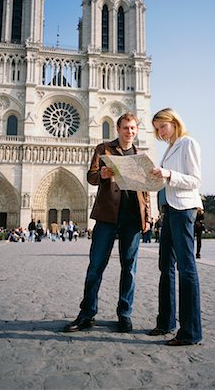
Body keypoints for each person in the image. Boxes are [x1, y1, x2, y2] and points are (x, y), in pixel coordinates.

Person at [63, 112, 151, 333]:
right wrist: (101, 173)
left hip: (132, 218)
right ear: (118, 129)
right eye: (125, 128)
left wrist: (148, 216)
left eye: (133, 128)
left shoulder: (141, 156)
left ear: (136, 130)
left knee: (129, 269)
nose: (129, 132)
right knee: (95, 267)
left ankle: (124, 314)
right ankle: (87, 314)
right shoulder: (104, 149)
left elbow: (146, 191)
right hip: (107, 217)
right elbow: (91, 177)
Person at [148, 107, 203, 346]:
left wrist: (168, 174)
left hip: (182, 209)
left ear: (174, 122)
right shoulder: (170, 148)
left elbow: (195, 180)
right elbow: (169, 180)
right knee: (165, 267)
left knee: (186, 268)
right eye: (157, 129)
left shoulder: (187, 143)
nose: (160, 132)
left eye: (163, 126)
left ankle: (190, 331)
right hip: (169, 210)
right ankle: (166, 322)